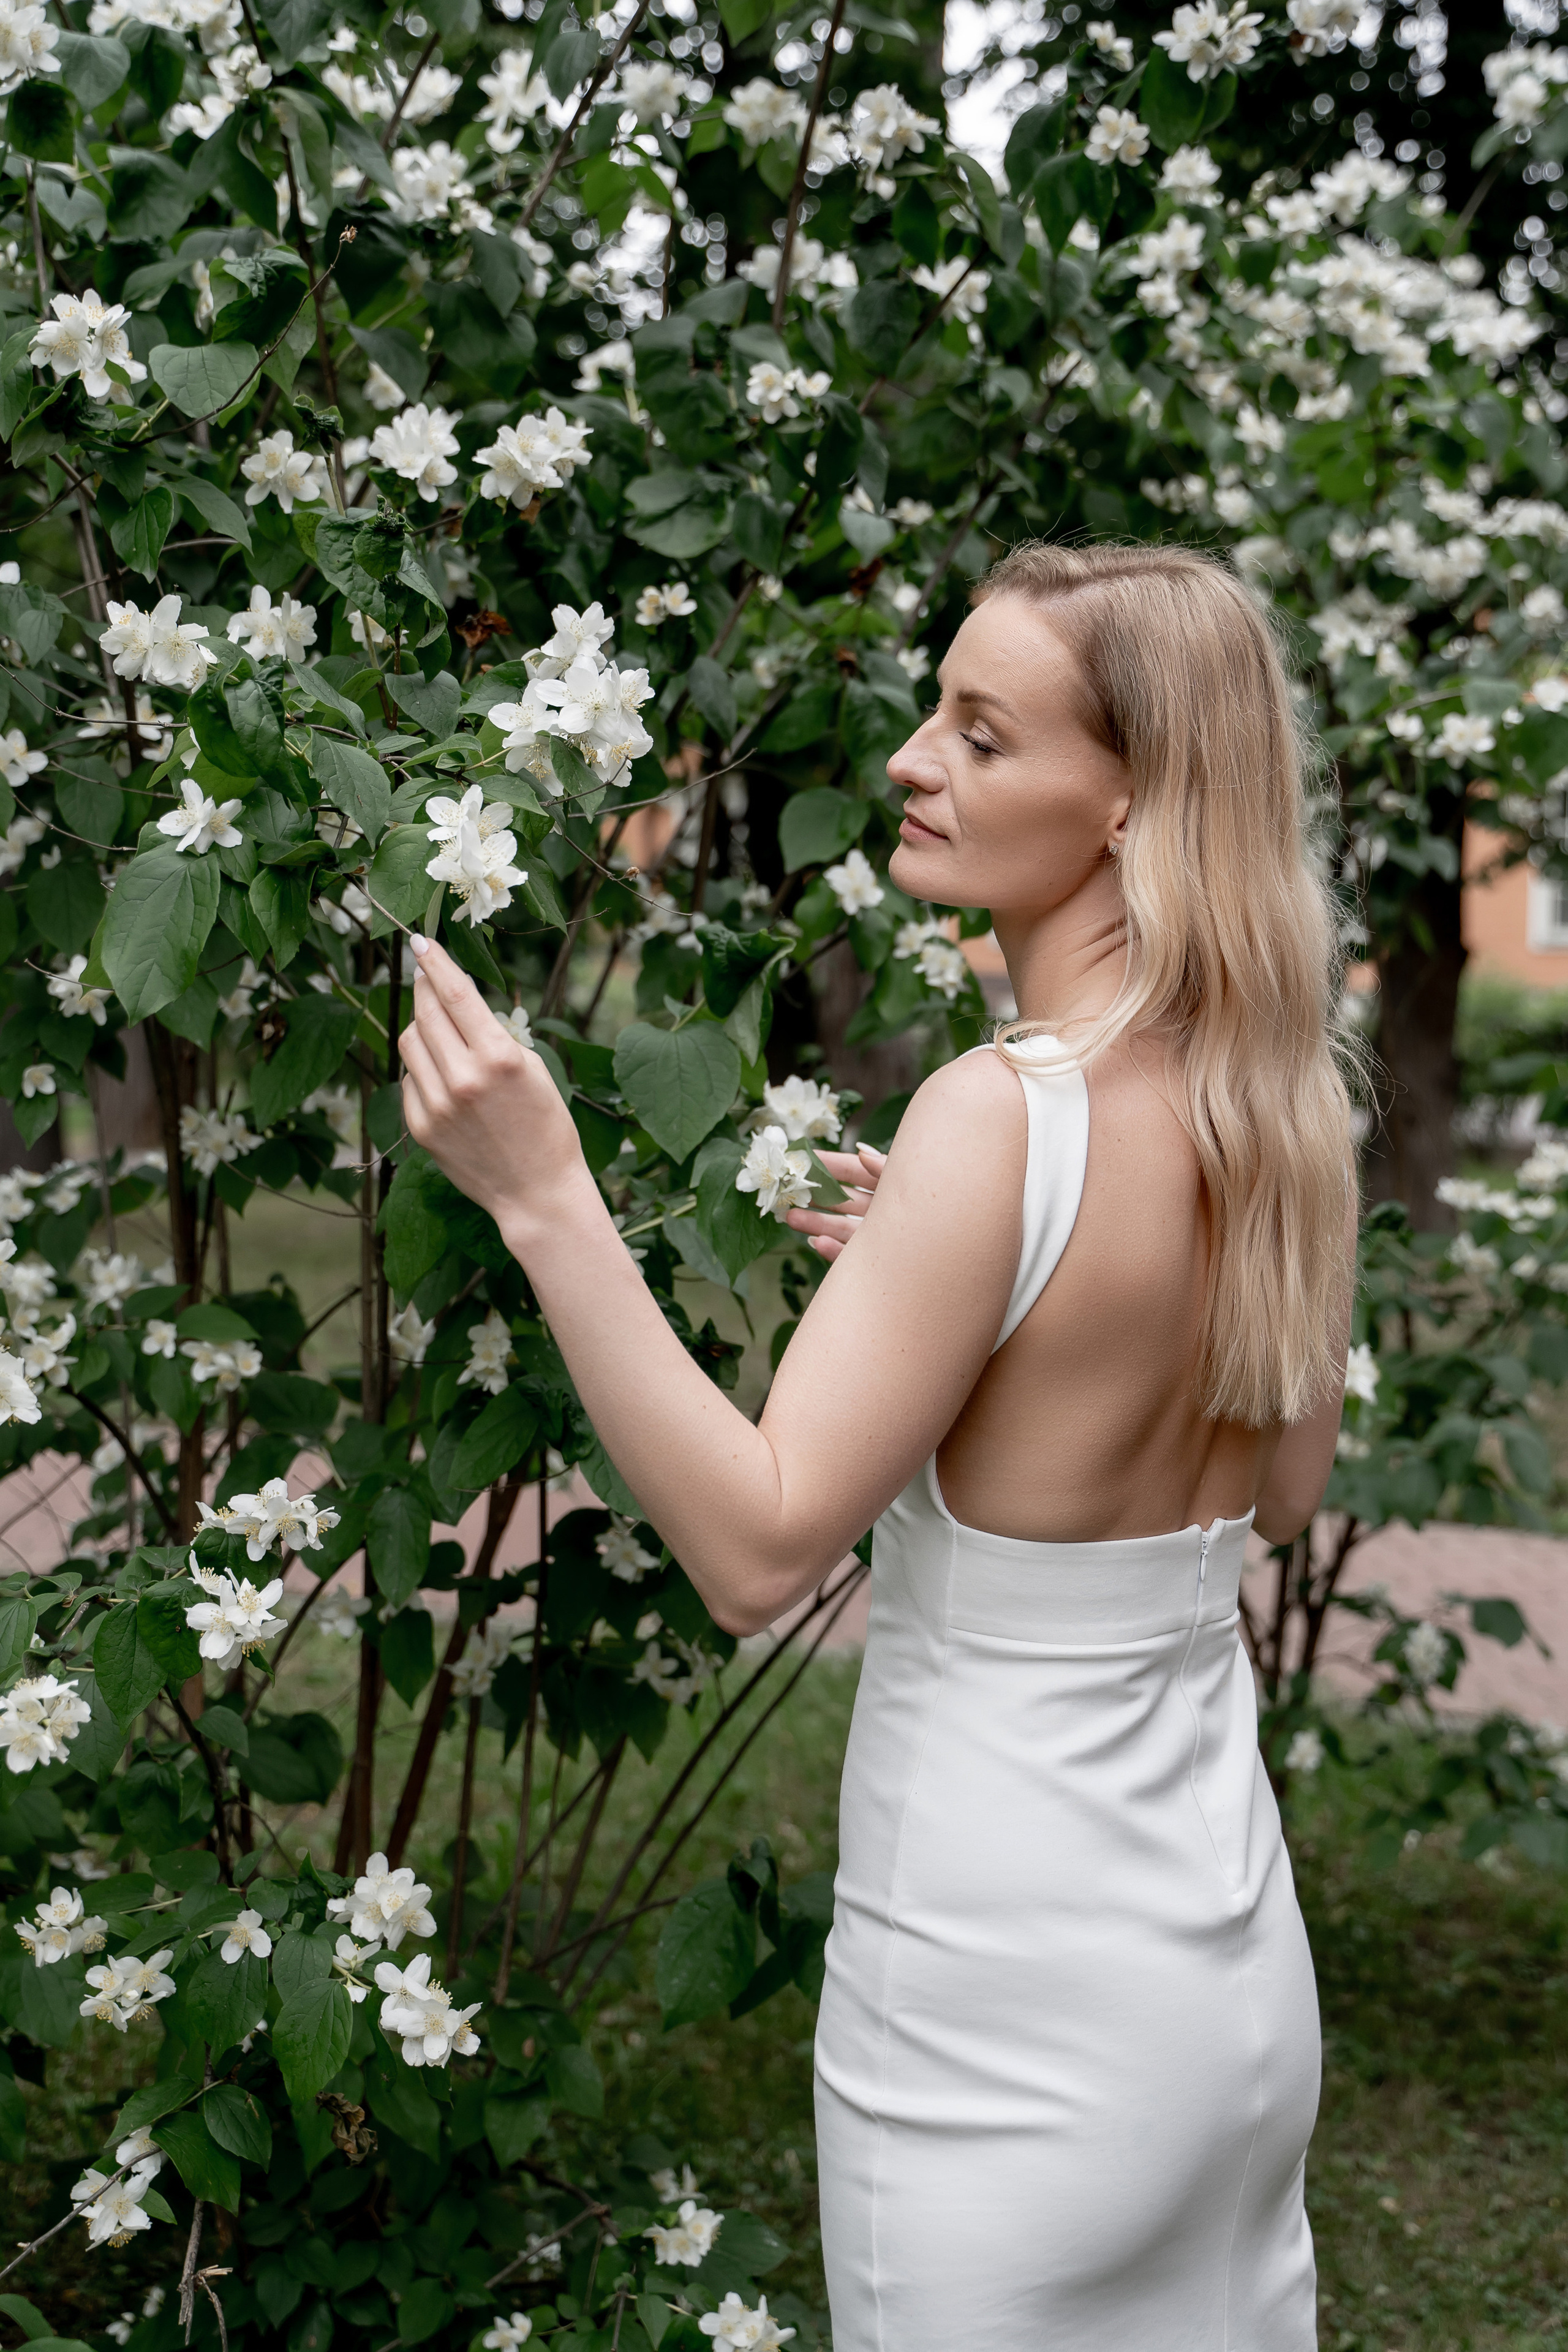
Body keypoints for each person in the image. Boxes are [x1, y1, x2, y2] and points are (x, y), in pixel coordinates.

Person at [399, 540, 1357, 2350]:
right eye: (938, 713)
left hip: (999, 2013)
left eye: (985, 738)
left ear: (1132, 800)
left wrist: (547, 1202)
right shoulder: (1286, 1107)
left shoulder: (996, 1118)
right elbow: (1277, 1500)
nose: (916, 761)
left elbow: (761, 1551)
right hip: (1223, 1994)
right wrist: (961, 1291)